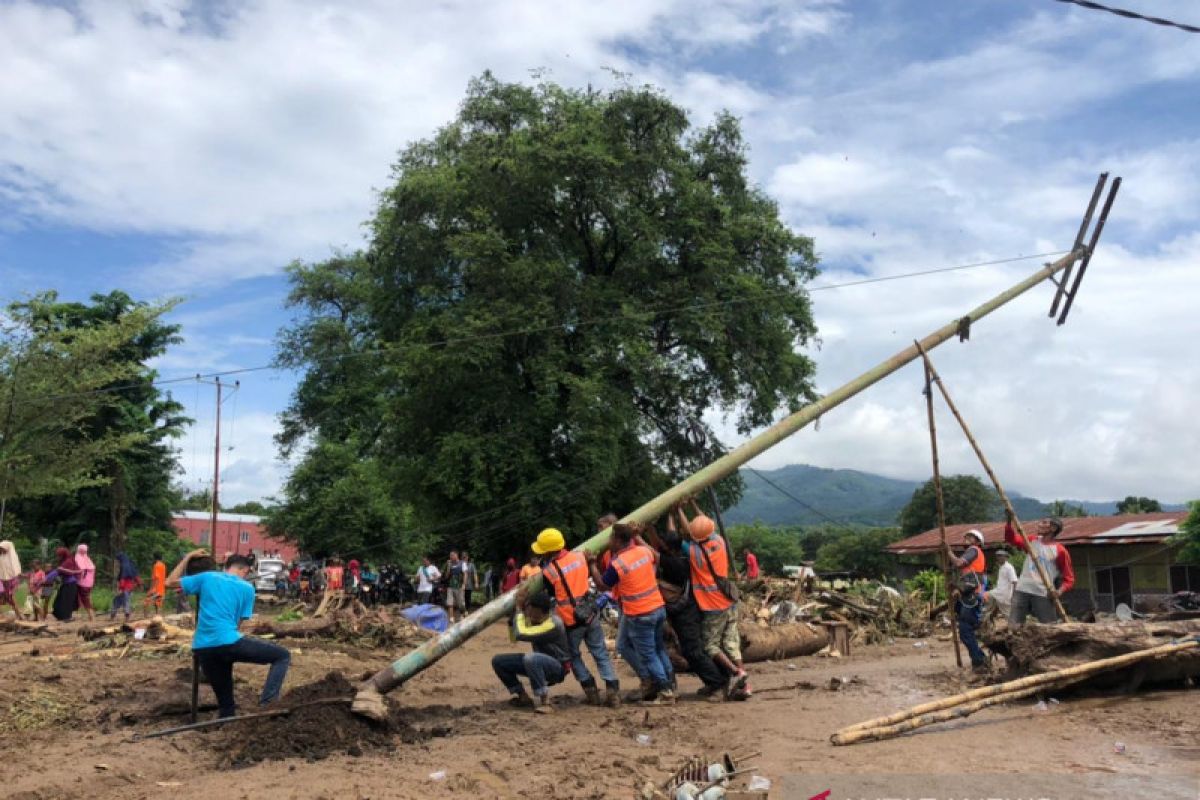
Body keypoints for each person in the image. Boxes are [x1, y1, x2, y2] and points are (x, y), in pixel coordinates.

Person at [168, 550, 291, 719]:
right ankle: (267, 704)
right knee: (282, 656)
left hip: (203, 649)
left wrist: (187, 556)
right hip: (230, 642)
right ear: (246, 571)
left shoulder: (207, 577)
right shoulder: (247, 588)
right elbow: (237, 625)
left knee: (226, 707)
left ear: (225, 566)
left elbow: (169, 582)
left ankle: (226, 720)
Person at [526, 527, 621, 707]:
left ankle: (591, 690)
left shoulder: (549, 571)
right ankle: (612, 692)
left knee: (573, 656)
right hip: (590, 613)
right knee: (600, 653)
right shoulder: (580, 556)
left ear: (548, 551)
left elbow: (551, 593)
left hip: (570, 621)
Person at [587, 521, 675, 705]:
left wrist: (592, 565)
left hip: (639, 613)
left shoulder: (618, 563)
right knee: (655, 648)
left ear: (618, 540)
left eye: (610, 536)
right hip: (657, 607)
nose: (608, 539)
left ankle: (665, 691)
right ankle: (667, 684)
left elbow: (603, 585)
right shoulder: (644, 552)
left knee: (649, 654)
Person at [656, 510, 733, 700]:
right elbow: (688, 533)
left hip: (703, 606)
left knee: (695, 650)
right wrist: (677, 511)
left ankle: (718, 684)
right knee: (701, 649)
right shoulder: (717, 543)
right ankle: (719, 680)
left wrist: (649, 528)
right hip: (708, 604)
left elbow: (657, 549)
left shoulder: (686, 556)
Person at [678, 500, 749, 698]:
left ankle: (737, 674)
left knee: (710, 645)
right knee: (731, 643)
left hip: (712, 605)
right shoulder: (719, 542)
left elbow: (685, 533)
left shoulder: (693, 552)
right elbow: (704, 525)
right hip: (729, 600)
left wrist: (679, 510)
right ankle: (745, 687)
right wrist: (692, 503)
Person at [491, 591, 572, 714]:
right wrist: (512, 620)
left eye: (531, 608)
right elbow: (513, 638)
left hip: (557, 668)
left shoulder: (554, 623)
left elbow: (521, 634)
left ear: (540, 610)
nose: (528, 611)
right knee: (498, 661)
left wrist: (518, 610)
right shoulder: (533, 620)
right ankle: (523, 697)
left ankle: (546, 702)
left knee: (531, 658)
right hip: (537, 664)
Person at [1006, 515, 1074, 624]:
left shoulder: (1060, 551)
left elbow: (1069, 579)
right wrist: (1009, 522)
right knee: (1014, 625)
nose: (1039, 524)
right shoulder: (1032, 541)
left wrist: (1059, 591)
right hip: (1022, 588)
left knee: (1050, 627)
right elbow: (1011, 539)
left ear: (1053, 528)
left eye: (1044, 523)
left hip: (1043, 592)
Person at [943, 529, 988, 671]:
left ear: (978, 541)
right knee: (966, 630)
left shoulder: (974, 550)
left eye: (971, 536)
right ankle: (979, 659)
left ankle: (980, 661)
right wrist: (956, 590)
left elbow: (958, 563)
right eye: (966, 536)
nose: (967, 538)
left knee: (965, 631)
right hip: (969, 595)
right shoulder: (973, 554)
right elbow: (966, 577)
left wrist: (948, 551)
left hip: (972, 596)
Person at [44, 547, 82, 622]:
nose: (58, 557)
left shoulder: (68, 562)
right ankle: (62, 617)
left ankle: (67, 617)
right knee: (59, 601)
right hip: (66, 584)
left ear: (63, 555)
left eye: (59, 555)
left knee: (66, 602)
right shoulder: (64, 561)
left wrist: (45, 579)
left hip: (70, 584)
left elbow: (57, 572)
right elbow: (57, 571)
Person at [110, 551, 140, 621]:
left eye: (117, 560)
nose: (117, 562)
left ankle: (120, 615)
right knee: (124, 601)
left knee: (119, 601)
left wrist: (120, 589)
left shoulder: (124, 566)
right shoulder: (130, 564)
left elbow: (122, 578)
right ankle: (117, 615)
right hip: (130, 587)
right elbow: (136, 576)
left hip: (125, 587)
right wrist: (139, 583)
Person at [990, 549, 1018, 620]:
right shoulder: (1001, 567)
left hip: (1005, 595)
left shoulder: (1009, 568)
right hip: (999, 593)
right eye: (997, 556)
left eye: (1000, 556)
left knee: (1008, 614)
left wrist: (1014, 596)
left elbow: (1015, 582)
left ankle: (1015, 628)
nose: (998, 558)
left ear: (1005, 557)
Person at [0, 540, 23, 619]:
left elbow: (16, 571)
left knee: (11, 598)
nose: (1, 550)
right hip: (2, 581)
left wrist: (10, 581)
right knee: (2, 598)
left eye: (2, 548)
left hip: (11, 582)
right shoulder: (1, 557)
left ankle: (19, 615)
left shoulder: (13, 558)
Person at [74, 544, 97, 622]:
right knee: (88, 597)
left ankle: (91, 616)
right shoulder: (87, 559)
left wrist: (77, 578)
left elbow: (81, 570)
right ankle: (92, 615)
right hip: (90, 583)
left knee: (85, 600)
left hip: (82, 583)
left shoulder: (78, 557)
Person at [444, 551, 466, 621]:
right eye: (450, 556)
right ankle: (451, 618)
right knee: (450, 603)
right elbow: (446, 576)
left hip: (459, 586)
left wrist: (464, 584)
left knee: (460, 603)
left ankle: (463, 614)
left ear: (456, 555)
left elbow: (465, 574)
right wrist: (448, 567)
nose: (451, 557)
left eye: (452, 555)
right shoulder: (449, 564)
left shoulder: (462, 563)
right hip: (450, 586)